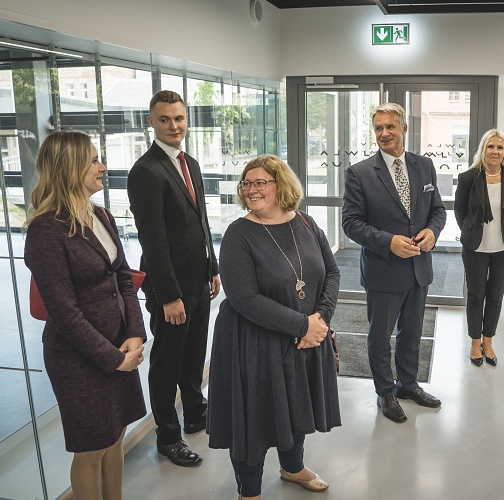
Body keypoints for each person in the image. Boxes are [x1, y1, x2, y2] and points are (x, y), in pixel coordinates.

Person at [207, 155, 340, 500]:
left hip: (304, 337)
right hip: (252, 342)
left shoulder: (306, 223)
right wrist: (302, 325)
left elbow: (331, 272)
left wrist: (321, 319)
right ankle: (250, 491)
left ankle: (292, 467)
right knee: (253, 420)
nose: (251, 190)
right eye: (246, 184)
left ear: (281, 185)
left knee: (296, 406)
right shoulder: (239, 233)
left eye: (260, 182)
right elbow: (244, 297)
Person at [24, 131, 146, 499]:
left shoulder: (100, 214)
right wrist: (115, 360)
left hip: (120, 346)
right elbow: (64, 314)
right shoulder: (46, 230)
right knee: (92, 449)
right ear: (69, 167)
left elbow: (123, 277)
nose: (102, 167)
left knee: (116, 436)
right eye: (94, 160)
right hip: (78, 358)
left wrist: (135, 333)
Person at [127, 90, 221, 467]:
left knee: (194, 354)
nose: (173, 126)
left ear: (187, 120)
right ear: (151, 122)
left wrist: (213, 267)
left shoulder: (189, 163)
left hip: (198, 279)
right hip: (171, 289)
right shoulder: (145, 171)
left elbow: (201, 221)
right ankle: (168, 437)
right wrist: (168, 296)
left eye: (179, 118)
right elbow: (153, 240)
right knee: (167, 363)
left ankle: (196, 413)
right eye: (164, 119)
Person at [342, 102, 446, 424]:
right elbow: (351, 223)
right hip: (383, 270)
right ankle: (385, 392)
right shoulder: (359, 173)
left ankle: (408, 385)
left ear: (404, 128)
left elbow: (437, 210)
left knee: (412, 333)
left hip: (418, 268)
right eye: (378, 128)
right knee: (380, 337)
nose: (384, 133)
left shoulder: (424, 166)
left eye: (390, 126)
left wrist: (432, 231)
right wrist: (389, 242)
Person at [454, 129, 504, 367]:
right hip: (476, 247)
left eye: (500, 147)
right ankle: (475, 342)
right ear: (483, 150)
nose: (495, 151)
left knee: (495, 297)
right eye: (490, 146)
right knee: (476, 296)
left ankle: (488, 341)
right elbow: (460, 211)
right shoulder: (468, 178)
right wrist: (471, 231)